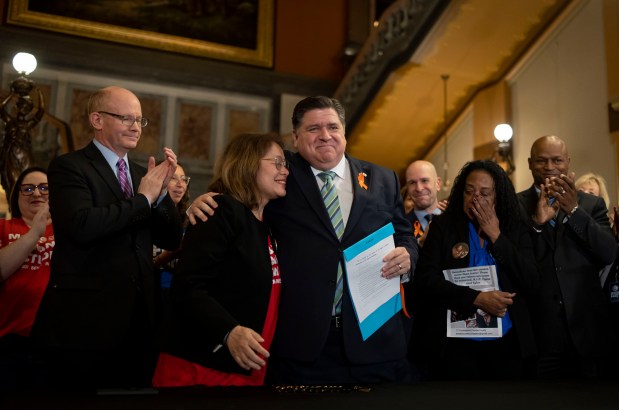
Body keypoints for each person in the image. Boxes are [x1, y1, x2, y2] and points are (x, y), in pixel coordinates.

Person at [188, 96, 417, 385]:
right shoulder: (280, 174)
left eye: (332, 127)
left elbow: (404, 232)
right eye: (313, 129)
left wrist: (408, 254)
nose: (325, 136)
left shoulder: (383, 178)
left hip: (375, 339)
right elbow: (236, 193)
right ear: (295, 137)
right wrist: (199, 203)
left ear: (344, 132)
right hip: (302, 345)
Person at [31, 86, 182, 391]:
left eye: (139, 120)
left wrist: (163, 194)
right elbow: (81, 226)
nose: (136, 126)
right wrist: (143, 199)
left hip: (139, 325)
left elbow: (170, 238)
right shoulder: (70, 167)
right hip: (84, 324)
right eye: (126, 118)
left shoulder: (144, 174)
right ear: (97, 120)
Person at [153, 133, 288, 387]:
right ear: (248, 164)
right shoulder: (220, 210)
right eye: (277, 162)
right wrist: (229, 332)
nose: (285, 171)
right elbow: (187, 286)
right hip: (203, 366)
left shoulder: (266, 224)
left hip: (248, 367)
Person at [411, 160, 539, 380]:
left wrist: (496, 236)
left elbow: (532, 281)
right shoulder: (443, 227)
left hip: (508, 345)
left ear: (498, 196)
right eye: (469, 191)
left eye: (485, 193)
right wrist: (476, 298)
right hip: (454, 345)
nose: (475, 198)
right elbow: (426, 280)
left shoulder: (515, 228)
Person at [517, 135, 616, 379]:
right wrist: (538, 225)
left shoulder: (591, 204)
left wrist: (573, 210)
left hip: (587, 329)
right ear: (530, 163)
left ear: (568, 162)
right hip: (539, 332)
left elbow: (609, 252)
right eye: (541, 161)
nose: (550, 167)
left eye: (557, 160)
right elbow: (516, 263)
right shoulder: (515, 205)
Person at [0, 167, 52, 391]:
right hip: (9, 342)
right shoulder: (3, 228)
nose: (37, 194)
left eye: (44, 188)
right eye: (28, 189)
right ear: (17, 195)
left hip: (56, 342)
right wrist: (35, 232)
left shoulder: (70, 230)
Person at [153, 162, 191, 313]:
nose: (180, 184)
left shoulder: (188, 217)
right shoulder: (149, 213)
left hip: (181, 292)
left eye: (184, 179)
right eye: (173, 178)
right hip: (156, 290)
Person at [404, 160, 443, 245]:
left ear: (438, 184)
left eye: (424, 180)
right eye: (412, 182)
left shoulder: (456, 217)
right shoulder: (401, 226)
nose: (419, 188)